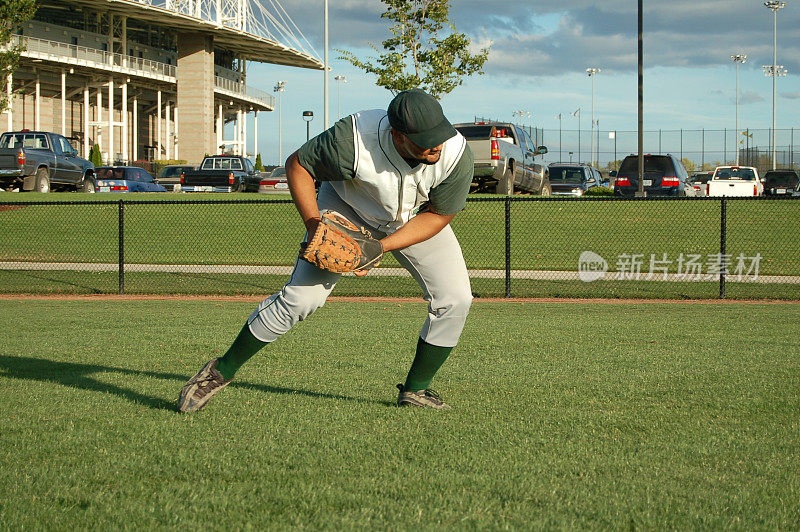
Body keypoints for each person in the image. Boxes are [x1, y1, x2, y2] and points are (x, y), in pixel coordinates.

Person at [178, 88, 474, 412]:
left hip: (409, 220)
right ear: (397, 135)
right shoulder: (354, 139)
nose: (436, 144)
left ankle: (416, 389)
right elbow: (299, 165)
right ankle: (219, 371)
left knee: (455, 299)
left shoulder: (455, 153)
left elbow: (440, 214)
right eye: (424, 138)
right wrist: (315, 227)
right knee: (301, 299)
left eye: (439, 135)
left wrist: (380, 247)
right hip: (345, 208)